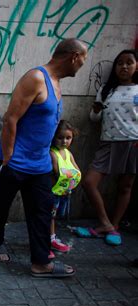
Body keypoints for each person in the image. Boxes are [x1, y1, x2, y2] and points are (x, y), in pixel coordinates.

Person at [0, 38, 88, 278]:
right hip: (17, 160)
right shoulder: (36, 78)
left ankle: (41, 262)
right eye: (83, 59)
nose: (83, 64)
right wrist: (8, 158)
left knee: (43, 210)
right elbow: (11, 118)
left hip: (40, 162)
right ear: (74, 56)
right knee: (2, 204)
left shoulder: (56, 82)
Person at [77, 49, 137, 246]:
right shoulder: (106, 89)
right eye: (120, 63)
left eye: (129, 62)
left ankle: (115, 225)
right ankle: (105, 224)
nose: (124, 66)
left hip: (133, 143)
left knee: (125, 186)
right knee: (89, 182)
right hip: (108, 141)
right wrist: (95, 111)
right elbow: (94, 119)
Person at [49, 120, 81, 257]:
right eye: (60, 137)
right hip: (54, 192)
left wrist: (70, 178)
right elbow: (57, 172)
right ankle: (50, 238)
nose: (64, 141)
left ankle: (51, 237)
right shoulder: (52, 153)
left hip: (64, 192)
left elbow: (77, 171)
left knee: (56, 216)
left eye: (68, 138)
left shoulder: (68, 153)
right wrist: (70, 176)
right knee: (50, 216)